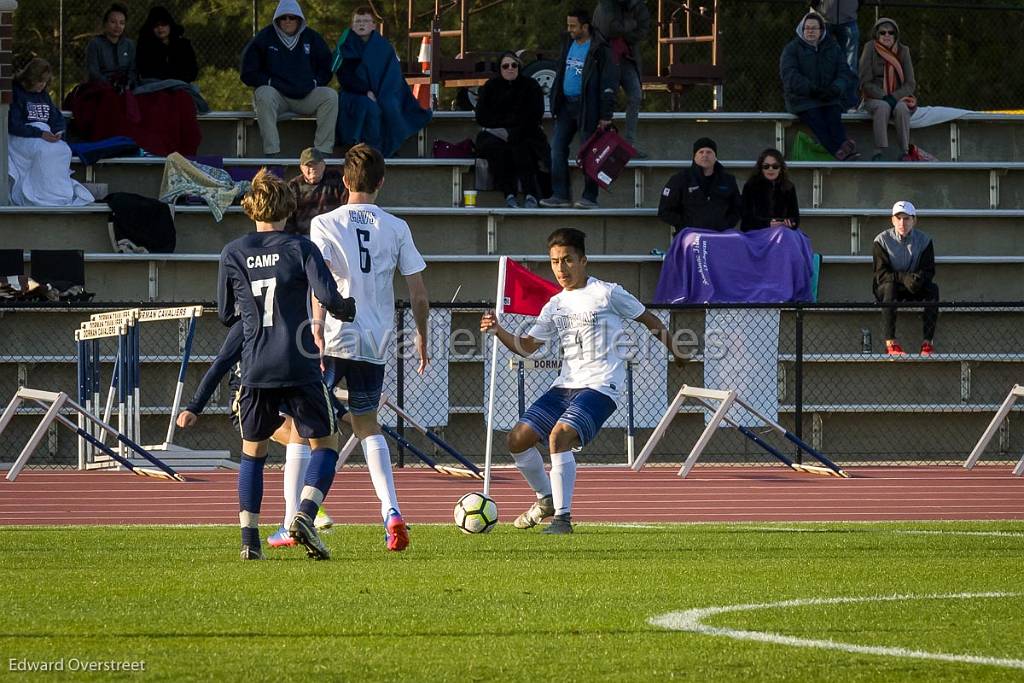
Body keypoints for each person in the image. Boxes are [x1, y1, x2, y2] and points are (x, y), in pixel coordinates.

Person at [479, 228, 687, 534]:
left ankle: (563, 518)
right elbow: (527, 346)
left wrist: (677, 351)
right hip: (565, 385)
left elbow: (649, 319)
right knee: (517, 439)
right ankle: (546, 499)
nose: (561, 269)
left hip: (601, 386)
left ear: (583, 260)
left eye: (567, 260)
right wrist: (498, 331)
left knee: (559, 436)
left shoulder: (607, 292)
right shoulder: (555, 305)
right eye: (554, 262)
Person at [217, 168, 355, 560]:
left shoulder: (233, 251)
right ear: (288, 207)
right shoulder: (300, 247)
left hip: (256, 364)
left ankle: (249, 542)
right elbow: (329, 297)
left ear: (251, 208)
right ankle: (305, 514)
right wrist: (346, 309)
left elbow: (226, 314)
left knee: (252, 450)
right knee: (325, 441)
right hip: (299, 360)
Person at [309, 144, 430, 552]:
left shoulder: (324, 222)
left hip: (336, 335)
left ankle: (306, 510)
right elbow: (418, 293)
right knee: (368, 427)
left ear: (344, 181)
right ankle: (392, 511)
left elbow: (320, 282)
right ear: (381, 182)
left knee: (308, 428)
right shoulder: (396, 227)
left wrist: (317, 327)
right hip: (375, 337)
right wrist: (421, 334)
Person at [173, 321, 337, 548]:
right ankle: (301, 513)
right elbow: (220, 364)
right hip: (247, 399)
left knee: (303, 435)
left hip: (278, 397)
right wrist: (195, 406)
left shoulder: (289, 328)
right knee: (294, 437)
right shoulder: (248, 326)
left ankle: (295, 515)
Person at [540, 8, 619, 210]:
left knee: (590, 154)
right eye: (568, 25)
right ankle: (560, 194)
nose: (570, 30)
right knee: (557, 149)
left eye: (573, 26)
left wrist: (605, 114)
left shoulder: (600, 49)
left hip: (588, 108)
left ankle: (589, 197)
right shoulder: (568, 43)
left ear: (585, 26)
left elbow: (608, 82)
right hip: (566, 105)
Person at [331, 6, 432, 158]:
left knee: (389, 105)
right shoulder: (345, 45)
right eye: (358, 21)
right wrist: (366, 91)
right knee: (369, 107)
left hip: (383, 90)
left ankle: (389, 148)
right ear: (352, 25)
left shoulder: (384, 47)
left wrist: (382, 93)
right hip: (353, 93)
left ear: (373, 25)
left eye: (366, 21)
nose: (361, 24)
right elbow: (345, 77)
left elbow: (392, 75)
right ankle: (372, 152)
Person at [240, 0, 337, 157]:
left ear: (299, 19)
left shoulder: (312, 38)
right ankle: (272, 154)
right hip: (278, 98)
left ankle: (322, 153)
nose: (287, 21)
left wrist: (315, 82)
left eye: (292, 17)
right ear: (277, 19)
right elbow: (248, 71)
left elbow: (326, 67)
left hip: (305, 96)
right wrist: (269, 81)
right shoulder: (264, 37)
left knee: (330, 96)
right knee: (263, 93)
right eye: (283, 17)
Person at [8, 58, 93, 206]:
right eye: (40, 82)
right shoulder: (16, 93)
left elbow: (56, 117)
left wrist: (58, 131)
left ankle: (58, 194)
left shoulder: (43, 94)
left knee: (63, 150)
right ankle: (40, 194)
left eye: (45, 82)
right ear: (30, 79)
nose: (43, 85)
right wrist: (40, 134)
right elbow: (14, 125)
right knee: (45, 152)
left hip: (44, 135)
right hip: (24, 136)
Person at [474, 51, 549, 208]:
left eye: (514, 65)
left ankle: (531, 194)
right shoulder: (491, 87)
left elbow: (535, 114)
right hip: (496, 133)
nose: (510, 69)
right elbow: (482, 116)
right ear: (500, 69)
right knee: (496, 150)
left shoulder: (530, 86)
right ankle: (509, 193)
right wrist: (503, 128)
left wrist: (512, 130)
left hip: (526, 132)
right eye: (505, 66)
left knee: (523, 147)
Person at [780, 12, 859, 161]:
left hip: (828, 96)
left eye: (814, 28)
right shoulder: (792, 49)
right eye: (807, 28)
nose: (810, 31)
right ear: (802, 30)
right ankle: (840, 151)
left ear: (822, 30)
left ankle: (843, 147)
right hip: (802, 99)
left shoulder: (833, 48)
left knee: (833, 115)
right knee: (817, 119)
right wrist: (811, 89)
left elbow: (844, 72)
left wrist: (836, 88)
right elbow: (790, 76)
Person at [872, 200, 938, 356]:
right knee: (890, 287)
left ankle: (927, 344)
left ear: (914, 220)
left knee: (933, 289)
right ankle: (891, 343)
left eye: (907, 218)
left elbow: (929, 270)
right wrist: (903, 278)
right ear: (892, 220)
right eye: (898, 218)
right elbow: (880, 275)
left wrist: (918, 280)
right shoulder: (881, 240)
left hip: (912, 287)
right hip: (888, 288)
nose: (902, 222)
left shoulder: (925, 240)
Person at [591, 0, 651, 156]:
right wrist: (630, 23)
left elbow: (642, 32)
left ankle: (629, 144)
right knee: (606, 98)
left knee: (636, 96)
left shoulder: (636, 6)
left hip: (626, 58)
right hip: (606, 58)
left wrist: (624, 29)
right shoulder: (607, 4)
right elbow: (610, 29)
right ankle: (601, 144)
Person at [657, 137, 740, 236]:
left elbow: (737, 208)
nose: (705, 155)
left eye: (709, 152)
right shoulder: (680, 179)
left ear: (715, 157)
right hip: (690, 238)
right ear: (694, 156)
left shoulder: (728, 180)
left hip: (719, 237)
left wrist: (725, 225)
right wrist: (686, 225)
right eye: (701, 152)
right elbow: (664, 211)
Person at [859, 18, 916, 162]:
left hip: (898, 98)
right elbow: (865, 81)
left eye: (891, 33)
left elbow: (910, 84)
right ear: (876, 35)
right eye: (882, 32)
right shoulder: (870, 48)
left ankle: (904, 152)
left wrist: (894, 97)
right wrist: (884, 96)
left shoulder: (904, 51)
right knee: (883, 106)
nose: (887, 36)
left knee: (902, 108)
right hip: (874, 98)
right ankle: (879, 152)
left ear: (896, 35)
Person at [286, 147, 347, 235]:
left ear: (323, 165)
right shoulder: (294, 186)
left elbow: (346, 209)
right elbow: (288, 219)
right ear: (301, 168)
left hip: (332, 235)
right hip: (305, 236)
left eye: (315, 164)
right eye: (308, 165)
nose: (311, 168)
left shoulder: (337, 180)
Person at [810, 0, 860, 108]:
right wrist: (816, 5)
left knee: (850, 65)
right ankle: (817, 101)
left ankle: (849, 104)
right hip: (821, 19)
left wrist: (853, 6)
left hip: (848, 19)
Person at [740, 148, 800, 231]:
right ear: (761, 168)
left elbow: (795, 218)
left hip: (782, 231)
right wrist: (768, 224)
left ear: (781, 169)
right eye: (766, 166)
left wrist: (789, 222)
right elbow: (746, 219)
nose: (770, 169)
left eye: (775, 166)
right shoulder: (750, 186)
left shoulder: (789, 187)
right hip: (757, 233)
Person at [136, 6, 199, 84]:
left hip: (181, 85)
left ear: (170, 25)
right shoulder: (145, 47)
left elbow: (192, 71)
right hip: (155, 86)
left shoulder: (183, 45)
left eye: (163, 24)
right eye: (156, 25)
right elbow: (146, 72)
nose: (160, 28)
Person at [85, 3, 136, 90]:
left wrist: (128, 85)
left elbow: (133, 70)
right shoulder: (95, 44)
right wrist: (111, 85)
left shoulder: (129, 45)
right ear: (105, 23)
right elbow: (93, 73)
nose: (118, 26)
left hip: (125, 89)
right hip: (102, 88)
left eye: (122, 23)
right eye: (113, 22)